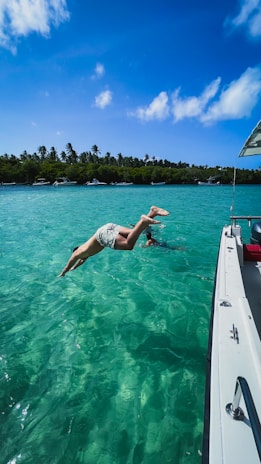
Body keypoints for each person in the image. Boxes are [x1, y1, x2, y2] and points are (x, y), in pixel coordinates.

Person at [58, 206, 170, 277]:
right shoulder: (84, 254)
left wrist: (63, 273)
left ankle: (143, 221)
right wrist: (74, 268)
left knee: (128, 245)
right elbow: (80, 262)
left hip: (102, 236)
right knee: (133, 232)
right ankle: (153, 212)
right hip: (107, 227)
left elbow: (69, 263)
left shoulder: (77, 253)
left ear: (76, 250)